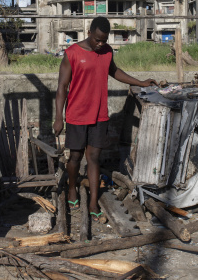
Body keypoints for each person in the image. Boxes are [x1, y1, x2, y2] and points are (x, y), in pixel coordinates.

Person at [53, 17, 157, 223]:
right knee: (74, 157)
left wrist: (141, 82)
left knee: (93, 159)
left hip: (99, 115)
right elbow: (61, 88)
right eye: (97, 39)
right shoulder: (72, 53)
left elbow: (114, 71)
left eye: (104, 40)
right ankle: (72, 187)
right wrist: (59, 117)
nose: (100, 44)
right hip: (76, 114)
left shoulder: (107, 51)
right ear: (90, 32)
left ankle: (93, 202)